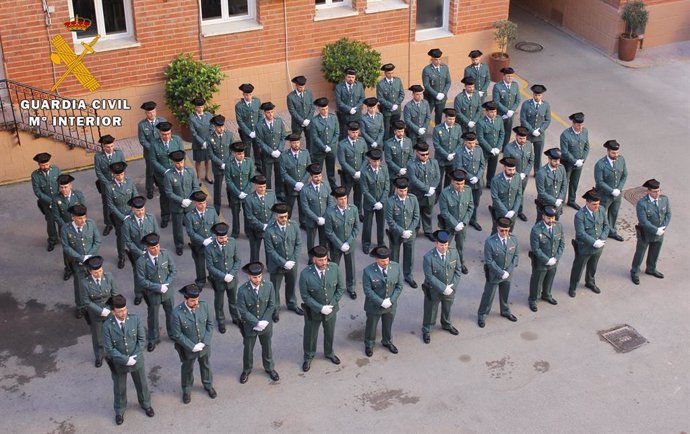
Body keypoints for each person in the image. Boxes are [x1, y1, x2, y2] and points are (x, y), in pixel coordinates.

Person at [102, 294, 155, 425]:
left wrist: (134, 355)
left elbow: (141, 339)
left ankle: (146, 404)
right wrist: (125, 359)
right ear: (113, 311)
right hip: (119, 363)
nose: (123, 313)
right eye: (119, 311)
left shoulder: (135, 319)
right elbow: (109, 349)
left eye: (125, 309)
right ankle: (119, 410)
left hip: (136, 358)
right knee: (119, 387)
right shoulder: (107, 326)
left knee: (142, 383)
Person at [299, 245, 344, 372]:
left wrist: (332, 304)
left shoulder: (334, 268)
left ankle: (329, 353)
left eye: (325, 259)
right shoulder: (305, 274)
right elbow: (305, 296)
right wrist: (320, 308)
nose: (324, 262)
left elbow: (340, 288)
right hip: (313, 311)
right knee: (310, 335)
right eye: (320, 260)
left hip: (331, 309)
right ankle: (308, 356)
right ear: (314, 260)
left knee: (329, 332)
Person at [170, 284, 216, 404]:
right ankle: (186, 390)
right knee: (187, 369)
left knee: (205, 365)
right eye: (192, 300)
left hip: (204, 345)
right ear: (186, 299)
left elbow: (210, 325)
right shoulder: (177, 313)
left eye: (197, 299)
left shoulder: (204, 306)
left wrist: (205, 342)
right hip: (188, 348)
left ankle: (208, 385)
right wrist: (192, 346)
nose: (196, 302)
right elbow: (177, 334)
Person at [237, 262, 280, 383]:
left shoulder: (269, 286)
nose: (258, 279)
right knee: (248, 349)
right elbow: (242, 310)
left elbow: (272, 305)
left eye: (260, 276)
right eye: (255, 277)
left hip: (265, 324)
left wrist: (265, 320)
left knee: (267, 347)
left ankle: (269, 368)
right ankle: (246, 369)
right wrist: (256, 322)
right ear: (249, 277)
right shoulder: (242, 290)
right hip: (250, 326)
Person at [135, 233, 176, 352]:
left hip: (167, 291)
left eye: (157, 246)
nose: (156, 249)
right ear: (147, 248)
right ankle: (153, 338)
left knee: (171, 312)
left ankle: (172, 333)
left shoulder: (165, 254)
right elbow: (142, 280)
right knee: (153, 316)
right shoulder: (141, 261)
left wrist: (166, 284)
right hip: (153, 294)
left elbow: (173, 270)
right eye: (153, 248)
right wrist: (158, 287)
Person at [264, 202, 303, 322]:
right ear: (276, 216)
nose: (284, 219)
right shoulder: (270, 231)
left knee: (291, 283)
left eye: (286, 216)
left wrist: (293, 260)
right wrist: (283, 262)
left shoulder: (293, 225)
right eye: (281, 217)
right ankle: (275, 309)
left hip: (292, 262)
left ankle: (292, 303)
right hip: (276, 264)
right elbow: (270, 250)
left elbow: (298, 244)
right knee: (275, 288)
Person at [421, 230, 462, 343]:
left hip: (450, 289)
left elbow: (458, 271)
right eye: (441, 245)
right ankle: (427, 329)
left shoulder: (454, 253)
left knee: (447, 308)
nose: (444, 247)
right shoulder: (428, 257)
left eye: (446, 244)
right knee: (430, 310)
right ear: (436, 243)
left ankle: (446, 324)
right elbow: (429, 277)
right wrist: (444, 288)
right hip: (434, 290)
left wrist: (452, 287)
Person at [477, 217, 519, 328]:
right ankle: (482, 314)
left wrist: (508, 271)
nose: (504, 233)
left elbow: (515, 256)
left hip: (508, 273)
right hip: (494, 274)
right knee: (488, 295)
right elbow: (489, 261)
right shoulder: (490, 242)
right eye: (502, 230)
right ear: (497, 228)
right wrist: (501, 272)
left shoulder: (513, 239)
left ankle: (505, 310)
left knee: (505, 293)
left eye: (506, 230)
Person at [568, 188, 610, 297]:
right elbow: (581, 233)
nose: (597, 206)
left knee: (593, 266)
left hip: (598, 246)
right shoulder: (580, 215)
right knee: (578, 267)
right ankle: (573, 287)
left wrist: (602, 238)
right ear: (587, 203)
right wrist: (594, 242)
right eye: (594, 204)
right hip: (584, 247)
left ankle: (590, 282)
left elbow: (606, 226)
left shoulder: (601, 210)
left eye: (598, 204)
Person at [61, 204, 101, 318]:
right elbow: (66, 247)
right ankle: (80, 307)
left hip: (92, 262)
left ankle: (96, 305)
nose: (82, 220)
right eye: (79, 218)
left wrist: (90, 255)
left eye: (84, 217)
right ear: (73, 217)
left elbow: (97, 241)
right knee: (79, 286)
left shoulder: (91, 224)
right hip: (78, 263)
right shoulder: (66, 229)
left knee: (95, 284)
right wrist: (80, 257)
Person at [362, 246, 403, 356]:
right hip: (374, 306)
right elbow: (367, 290)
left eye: (387, 260)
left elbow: (399, 285)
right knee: (371, 326)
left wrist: (391, 300)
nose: (385, 263)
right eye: (382, 261)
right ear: (376, 260)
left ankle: (387, 341)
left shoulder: (396, 267)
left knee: (388, 324)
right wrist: (381, 302)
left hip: (390, 305)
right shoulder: (368, 271)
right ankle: (369, 344)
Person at [80, 255, 118, 367]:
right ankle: (99, 356)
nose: (99, 274)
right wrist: (100, 311)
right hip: (96, 314)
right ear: (90, 272)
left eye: (100, 271)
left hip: (109, 311)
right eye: (96, 272)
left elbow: (115, 294)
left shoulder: (109, 277)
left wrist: (109, 308)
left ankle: (114, 354)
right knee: (97, 338)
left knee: (112, 334)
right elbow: (86, 301)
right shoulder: (85, 283)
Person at [630, 179, 671, 285]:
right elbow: (643, 221)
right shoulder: (642, 204)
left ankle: (651, 268)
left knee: (655, 251)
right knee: (640, 253)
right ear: (648, 191)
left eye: (658, 191)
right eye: (654, 191)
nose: (657, 193)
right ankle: (635, 272)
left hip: (660, 232)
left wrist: (663, 227)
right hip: (645, 233)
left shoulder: (664, 199)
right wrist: (655, 230)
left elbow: (668, 214)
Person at [205, 222, 241, 333]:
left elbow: (237, 260)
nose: (224, 239)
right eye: (221, 238)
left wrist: (232, 274)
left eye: (225, 237)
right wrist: (223, 276)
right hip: (219, 281)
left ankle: (235, 317)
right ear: (216, 237)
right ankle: (221, 320)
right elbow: (210, 267)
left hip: (232, 278)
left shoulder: (232, 242)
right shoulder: (210, 248)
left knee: (233, 300)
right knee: (219, 302)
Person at [325, 186, 360, 299]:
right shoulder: (330, 212)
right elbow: (329, 232)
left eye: (345, 198)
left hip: (349, 245)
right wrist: (340, 244)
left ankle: (351, 288)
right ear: (336, 200)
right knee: (334, 267)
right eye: (341, 199)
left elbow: (356, 228)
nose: (344, 201)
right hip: (336, 246)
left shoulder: (353, 209)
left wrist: (348, 243)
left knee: (351, 267)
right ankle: (333, 287)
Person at [164, 150, 200, 255]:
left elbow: (196, 187)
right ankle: (179, 245)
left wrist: (189, 199)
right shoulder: (169, 175)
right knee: (178, 228)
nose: (180, 165)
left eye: (181, 162)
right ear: (173, 163)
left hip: (190, 205)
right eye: (177, 163)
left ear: (184, 161)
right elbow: (169, 192)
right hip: (177, 206)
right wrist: (181, 200)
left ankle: (195, 242)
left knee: (193, 226)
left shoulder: (191, 171)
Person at [386, 177, 420, 288]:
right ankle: (394, 277)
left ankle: (408, 276)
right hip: (396, 234)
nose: (403, 193)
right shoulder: (391, 202)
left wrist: (410, 230)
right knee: (394, 256)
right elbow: (390, 220)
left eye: (405, 190)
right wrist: (402, 231)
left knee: (409, 255)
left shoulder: (413, 199)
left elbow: (416, 216)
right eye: (401, 191)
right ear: (396, 189)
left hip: (410, 233)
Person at [528, 206, 564, 312]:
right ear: (543, 217)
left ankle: (546, 294)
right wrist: (546, 260)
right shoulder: (536, 229)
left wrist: (556, 258)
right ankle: (533, 299)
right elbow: (536, 248)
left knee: (550, 278)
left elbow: (562, 243)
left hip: (554, 260)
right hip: (541, 262)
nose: (551, 220)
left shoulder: (558, 226)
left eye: (552, 218)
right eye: (548, 218)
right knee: (537, 281)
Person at [438, 169, 473, 275]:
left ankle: (460, 264)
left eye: (462, 183)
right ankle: (443, 266)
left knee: (460, 246)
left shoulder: (467, 190)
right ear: (452, 181)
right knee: (444, 247)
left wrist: (464, 222)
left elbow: (470, 207)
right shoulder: (445, 193)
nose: (460, 186)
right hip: (448, 225)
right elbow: (444, 212)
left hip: (462, 225)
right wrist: (455, 224)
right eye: (458, 183)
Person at [148, 121, 183, 228]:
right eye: (164, 134)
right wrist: (165, 171)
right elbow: (153, 160)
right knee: (164, 196)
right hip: (162, 176)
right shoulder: (154, 143)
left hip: (176, 173)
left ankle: (180, 216)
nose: (166, 136)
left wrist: (178, 169)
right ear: (159, 133)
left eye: (168, 134)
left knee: (178, 194)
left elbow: (182, 155)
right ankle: (165, 216)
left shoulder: (176, 140)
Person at [52, 174, 86, 281]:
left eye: (65, 187)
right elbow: (56, 216)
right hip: (64, 227)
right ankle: (68, 269)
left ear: (70, 185)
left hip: (79, 225)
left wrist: (79, 223)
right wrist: (67, 226)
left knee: (81, 245)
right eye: (61, 187)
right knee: (67, 250)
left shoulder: (78, 195)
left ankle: (83, 266)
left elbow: (83, 210)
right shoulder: (56, 199)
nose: (63, 189)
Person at [122, 196, 159, 293]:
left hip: (151, 252)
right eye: (138, 210)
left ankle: (150, 290)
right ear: (133, 209)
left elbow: (156, 235)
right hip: (137, 253)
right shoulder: (128, 222)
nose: (141, 212)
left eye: (142, 209)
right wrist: (139, 252)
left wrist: (151, 250)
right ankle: (138, 293)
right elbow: (128, 241)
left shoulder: (151, 218)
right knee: (138, 274)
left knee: (152, 271)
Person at [105, 161, 138, 269]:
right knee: (121, 238)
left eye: (122, 174)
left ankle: (134, 254)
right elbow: (110, 205)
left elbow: (135, 197)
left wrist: (133, 211)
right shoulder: (110, 187)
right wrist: (122, 217)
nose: (120, 177)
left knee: (134, 235)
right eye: (118, 175)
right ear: (114, 175)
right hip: (119, 217)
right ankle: (121, 257)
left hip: (132, 213)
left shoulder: (130, 181)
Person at [594, 139, 628, 242]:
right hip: (604, 194)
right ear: (608, 151)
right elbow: (599, 182)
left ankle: (611, 231)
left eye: (617, 152)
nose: (616, 154)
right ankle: (598, 232)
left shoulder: (621, 160)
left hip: (617, 194)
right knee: (601, 214)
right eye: (613, 153)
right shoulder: (600, 164)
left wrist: (619, 188)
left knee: (614, 213)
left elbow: (624, 175)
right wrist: (611, 190)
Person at [407, 140, 441, 241]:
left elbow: (437, 176)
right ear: (417, 153)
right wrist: (427, 189)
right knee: (416, 213)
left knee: (428, 213)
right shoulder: (411, 164)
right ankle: (415, 230)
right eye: (422, 154)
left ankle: (428, 231)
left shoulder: (433, 162)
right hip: (417, 194)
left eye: (427, 154)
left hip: (430, 194)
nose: (425, 156)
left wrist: (432, 188)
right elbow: (414, 180)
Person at [185, 191, 218, 288]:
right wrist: (203, 241)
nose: (202, 205)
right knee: (200, 263)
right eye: (200, 203)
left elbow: (216, 226)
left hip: (212, 242)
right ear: (195, 203)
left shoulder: (211, 211)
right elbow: (190, 232)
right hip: (198, 244)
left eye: (204, 203)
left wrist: (211, 238)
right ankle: (201, 280)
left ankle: (212, 277)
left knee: (213, 262)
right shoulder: (189, 216)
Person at [453, 132, 486, 231]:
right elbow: (459, 167)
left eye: (473, 143)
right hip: (466, 183)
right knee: (463, 203)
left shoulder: (479, 150)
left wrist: (478, 176)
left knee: (475, 203)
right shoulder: (459, 152)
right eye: (469, 143)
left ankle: (473, 219)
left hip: (478, 182)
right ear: (465, 143)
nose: (472, 145)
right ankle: (461, 220)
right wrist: (471, 177)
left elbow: (482, 164)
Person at [94, 134, 125, 235]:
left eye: (112, 146)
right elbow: (98, 172)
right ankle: (108, 224)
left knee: (120, 201)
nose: (110, 148)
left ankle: (121, 220)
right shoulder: (98, 157)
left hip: (118, 183)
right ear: (103, 146)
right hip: (106, 185)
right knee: (107, 205)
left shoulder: (119, 153)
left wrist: (119, 180)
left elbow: (123, 167)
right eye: (108, 147)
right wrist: (107, 183)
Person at [360, 149, 389, 254]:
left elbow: (387, 186)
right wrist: (374, 202)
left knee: (381, 223)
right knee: (367, 224)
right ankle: (366, 244)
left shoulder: (384, 169)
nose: (376, 163)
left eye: (378, 161)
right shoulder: (364, 172)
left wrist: (381, 201)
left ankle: (381, 242)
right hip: (369, 203)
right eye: (374, 161)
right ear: (369, 160)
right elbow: (365, 190)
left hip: (382, 202)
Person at [224, 141, 255, 238]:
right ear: (234, 154)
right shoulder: (229, 164)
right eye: (238, 154)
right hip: (235, 194)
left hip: (247, 194)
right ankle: (235, 231)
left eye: (242, 153)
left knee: (247, 214)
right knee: (235, 214)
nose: (241, 156)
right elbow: (229, 181)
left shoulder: (249, 162)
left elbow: (252, 178)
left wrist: (245, 192)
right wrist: (238, 193)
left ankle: (248, 231)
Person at [559, 112, 590, 210]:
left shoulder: (585, 131)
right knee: (564, 183)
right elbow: (564, 152)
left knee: (574, 182)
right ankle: (560, 203)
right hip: (567, 163)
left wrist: (583, 159)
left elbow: (586, 146)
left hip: (579, 163)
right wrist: (575, 161)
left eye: (581, 124)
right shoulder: (565, 135)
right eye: (578, 124)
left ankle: (571, 200)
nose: (580, 126)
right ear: (573, 123)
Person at [300, 163, 333, 252]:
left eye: (319, 176)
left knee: (324, 239)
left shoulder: (325, 185)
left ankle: (323, 255)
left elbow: (330, 202)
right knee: (311, 240)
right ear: (311, 177)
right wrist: (317, 218)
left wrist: (325, 217)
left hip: (325, 218)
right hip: (312, 220)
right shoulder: (305, 190)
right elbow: (305, 208)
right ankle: (311, 257)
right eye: (315, 176)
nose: (318, 178)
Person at [502, 126, 534, 220]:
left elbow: (531, 160)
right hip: (512, 175)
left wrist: (525, 173)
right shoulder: (509, 148)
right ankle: (505, 211)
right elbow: (506, 164)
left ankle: (519, 211)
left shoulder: (529, 145)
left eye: (524, 138)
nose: (522, 140)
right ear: (516, 136)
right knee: (509, 193)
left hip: (524, 176)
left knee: (520, 193)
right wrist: (516, 174)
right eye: (520, 138)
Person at [279, 133, 311, 225]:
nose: (296, 144)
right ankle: (285, 223)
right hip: (290, 187)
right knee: (289, 206)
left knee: (303, 205)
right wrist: (295, 184)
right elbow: (283, 173)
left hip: (303, 186)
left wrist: (302, 183)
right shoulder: (284, 156)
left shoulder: (305, 153)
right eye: (294, 143)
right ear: (290, 143)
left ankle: (303, 222)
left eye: (297, 142)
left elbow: (309, 169)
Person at [337, 121, 368, 218]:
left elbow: (366, 157)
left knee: (358, 195)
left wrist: (360, 171)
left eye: (356, 132)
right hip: (347, 175)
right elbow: (342, 161)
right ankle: (344, 212)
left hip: (360, 174)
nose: (355, 134)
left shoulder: (362, 141)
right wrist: (353, 172)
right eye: (353, 132)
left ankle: (358, 213)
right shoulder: (342, 144)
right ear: (348, 132)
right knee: (345, 195)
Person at [31, 152, 61, 251]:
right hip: (46, 202)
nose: (45, 166)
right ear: (39, 165)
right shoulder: (35, 175)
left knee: (62, 219)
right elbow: (37, 191)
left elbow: (61, 183)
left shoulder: (55, 170)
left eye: (47, 164)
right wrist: (50, 201)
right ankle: (52, 240)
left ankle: (64, 238)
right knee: (51, 221)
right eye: (43, 165)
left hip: (59, 200)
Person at [256, 102, 286, 197]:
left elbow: (283, 136)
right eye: (268, 112)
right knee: (267, 176)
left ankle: (279, 193)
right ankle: (268, 194)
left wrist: (279, 150)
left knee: (279, 174)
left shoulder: (279, 122)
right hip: (267, 155)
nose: (270, 114)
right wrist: (271, 151)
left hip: (278, 154)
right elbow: (260, 141)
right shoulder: (259, 125)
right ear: (264, 113)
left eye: (272, 112)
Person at [520, 84, 551, 175]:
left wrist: (540, 130)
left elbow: (548, 120)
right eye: (535, 95)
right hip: (528, 134)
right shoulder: (526, 104)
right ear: (533, 94)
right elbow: (523, 119)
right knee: (526, 154)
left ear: (542, 95)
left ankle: (537, 171)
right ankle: (524, 170)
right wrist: (531, 130)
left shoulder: (546, 105)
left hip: (540, 135)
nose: (537, 97)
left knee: (538, 154)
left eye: (539, 95)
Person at [308, 97, 340, 189]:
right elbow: (314, 137)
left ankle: (332, 185)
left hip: (331, 149)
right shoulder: (314, 121)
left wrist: (330, 145)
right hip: (319, 151)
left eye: (326, 108)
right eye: (322, 109)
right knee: (318, 170)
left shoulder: (333, 117)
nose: (325, 111)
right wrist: (324, 147)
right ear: (318, 109)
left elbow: (337, 132)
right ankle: (319, 186)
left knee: (331, 169)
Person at [244, 174, 276, 262]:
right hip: (255, 229)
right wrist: (262, 226)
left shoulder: (271, 195)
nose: (262, 189)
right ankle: (254, 267)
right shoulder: (249, 199)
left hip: (269, 227)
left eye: (264, 186)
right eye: (260, 187)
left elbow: (274, 211)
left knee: (270, 249)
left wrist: (269, 224)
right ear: (255, 186)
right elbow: (250, 217)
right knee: (255, 250)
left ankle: (270, 266)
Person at [137, 101, 166, 199]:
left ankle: (164, 186)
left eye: (153, 112)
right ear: (146, 113)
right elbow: (142, 140)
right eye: (149, 113)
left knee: (163, 169)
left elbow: (167, 136)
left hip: (162, 151)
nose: (152, 114)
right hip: (150, 153)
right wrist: (153, 148)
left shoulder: (162, 121)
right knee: (150, 171)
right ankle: (149, 189)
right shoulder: (142, 125)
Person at [206, 114, 234, 214]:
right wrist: (221, 164)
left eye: (222, 126)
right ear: (215, 127)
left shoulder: (229, 135)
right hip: (218, 167)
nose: (221, 129)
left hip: (228, 165)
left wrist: (228, 162)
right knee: (217, 187)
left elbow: (232, 151)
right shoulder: (210, 138)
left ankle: (231, 202)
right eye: (219, 127)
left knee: (230, 184)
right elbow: (211, 154)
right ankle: (217, 206)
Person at [476, 101, 506, 187]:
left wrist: (497, 147)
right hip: (484, 150)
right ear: (486, 112)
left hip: (495, 149)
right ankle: (480, 183)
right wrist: (490, 149)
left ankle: (490, 182)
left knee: (492, 168)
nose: (493, 114)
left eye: (495, 111)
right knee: (481, 167)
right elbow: (480, 138)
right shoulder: (481, 122)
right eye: (491, 112)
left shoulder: (499, 119)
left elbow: (502, 133)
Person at [432, 108, 463, 191]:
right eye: (449, 119)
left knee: (449, 179)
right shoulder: (437, 129)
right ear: (445, 118)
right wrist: (446, 155)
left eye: (453, 119)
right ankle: (437, 195)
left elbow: (460, 142)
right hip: (441, 159)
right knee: (438, 178)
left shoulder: (458, 127)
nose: (451, 121)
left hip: (453, 159)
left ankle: (446, 193)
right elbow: (436, 144)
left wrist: (453, 154)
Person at [490, 156, 523, 232]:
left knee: (510, 231)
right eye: (509, 170)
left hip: (513, 212)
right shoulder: (496, 180)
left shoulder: (517, 177)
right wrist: (505, 212)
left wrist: (514, 210)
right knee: (496, 232)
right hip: (500, 212)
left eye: (514, 169)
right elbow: (495, 197)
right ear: (504, 168)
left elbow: (519, 194)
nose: (512, 172)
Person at [535, 148, 567, 222]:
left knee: (555, 223)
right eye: (555, 161)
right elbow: (541, 192)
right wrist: (554, 201)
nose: (557, 163)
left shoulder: (561, 168)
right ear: (549, 160)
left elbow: (564, 185)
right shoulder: (541, 173)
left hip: (558, 204)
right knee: (541, 223)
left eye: (558, 160)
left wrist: (560, 198)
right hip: (545, 204)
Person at [492, 67, 520, 149]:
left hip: (510, 114)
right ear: (503, 77)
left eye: (511, 76)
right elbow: (496, 101)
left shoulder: (515, 85)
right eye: (508, 76)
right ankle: (496, 147)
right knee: (498, 131)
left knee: (508, 131)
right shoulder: (498, 86)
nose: (510, 78)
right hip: (500, 114)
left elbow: (517, 99)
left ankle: (505, 148)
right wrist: (506, 111)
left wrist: (512, 111)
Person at [422, 48, 451, 125]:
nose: (438, 61)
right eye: (435, 60)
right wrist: (436, 94)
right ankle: (422, 134)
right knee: (426, 116)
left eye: (439, 59)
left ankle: (437, 133)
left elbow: (448, 82)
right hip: (430, 98)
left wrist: (443, 93)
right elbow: (426, 85)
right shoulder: (427, 70)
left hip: (442, 98)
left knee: (439, 116)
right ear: (431, 59)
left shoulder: (445, 67)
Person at [234, 83, 261, 167]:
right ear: (243, 94)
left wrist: (257, 129)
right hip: (246, 133)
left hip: (256, 131)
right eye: (246, 95)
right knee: (247, 151)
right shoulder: (239, 106)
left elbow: (260, 115)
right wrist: (249, 132)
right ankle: (248, 167)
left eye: (250, 94)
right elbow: (240, 121)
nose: (248, 97)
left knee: (257, 149)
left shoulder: (257, 101)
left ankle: (259, 165)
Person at [376, 63, 405, 140]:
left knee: (396, 127)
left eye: (392, 73)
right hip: (387, 110)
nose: (391, 75)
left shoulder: (398, 81)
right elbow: (380, 98)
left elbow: (402, 94)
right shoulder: (380, 84)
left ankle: (394, 140)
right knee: (386, 128)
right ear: (385, 73)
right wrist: (390, 106)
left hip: (397, 110)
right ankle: (386, 143)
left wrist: (396, 104)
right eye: (389, 73)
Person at [188, 97, 213, 184]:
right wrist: (202, 142)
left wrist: (207, 141)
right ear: (195, 107)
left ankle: (207, 175)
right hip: (198, 143)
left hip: (208, 142)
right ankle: (198, 176)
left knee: (207, 159)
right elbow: (193, 133)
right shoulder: (192, 118)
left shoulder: (209, 115)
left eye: (202, 107)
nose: (200, 109)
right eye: (198, 107)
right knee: (198, 161)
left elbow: (211, 129)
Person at [334, 68, 365, 140]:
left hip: (357, 115)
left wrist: (356, 108)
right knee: (345, 135)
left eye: (353, 77)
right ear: (345, 77)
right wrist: (349, 109)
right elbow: (339, 101)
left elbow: (362, 98)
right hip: (345, 116)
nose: (351, 79)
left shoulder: (359, 85)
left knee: (357, 134)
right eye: (349, 77)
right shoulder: (339, 87)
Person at [384, 120, 414, 192]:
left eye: (402, 131)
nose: (401, 134)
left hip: (406, 173)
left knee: (405, 193)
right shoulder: (388, 143)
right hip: (393, 174)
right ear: (394, 131)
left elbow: (411, 157)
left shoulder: (408, 141)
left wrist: (406, 168)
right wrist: (399, 170)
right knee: (391, 192)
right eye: (399, 132)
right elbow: (388, 160)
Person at [286, 75, 314, 149]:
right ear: (296, 86)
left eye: (303, 87)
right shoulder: (290, 97)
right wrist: (302, 121)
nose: (302, 89)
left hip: (309, 122)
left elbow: (312, 107)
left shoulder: (309, 93)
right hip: (297, 124)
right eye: (300, 87)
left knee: (310, 140)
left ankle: (309, 156)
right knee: (295, 141)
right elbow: (292, 111)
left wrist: (308, 119)